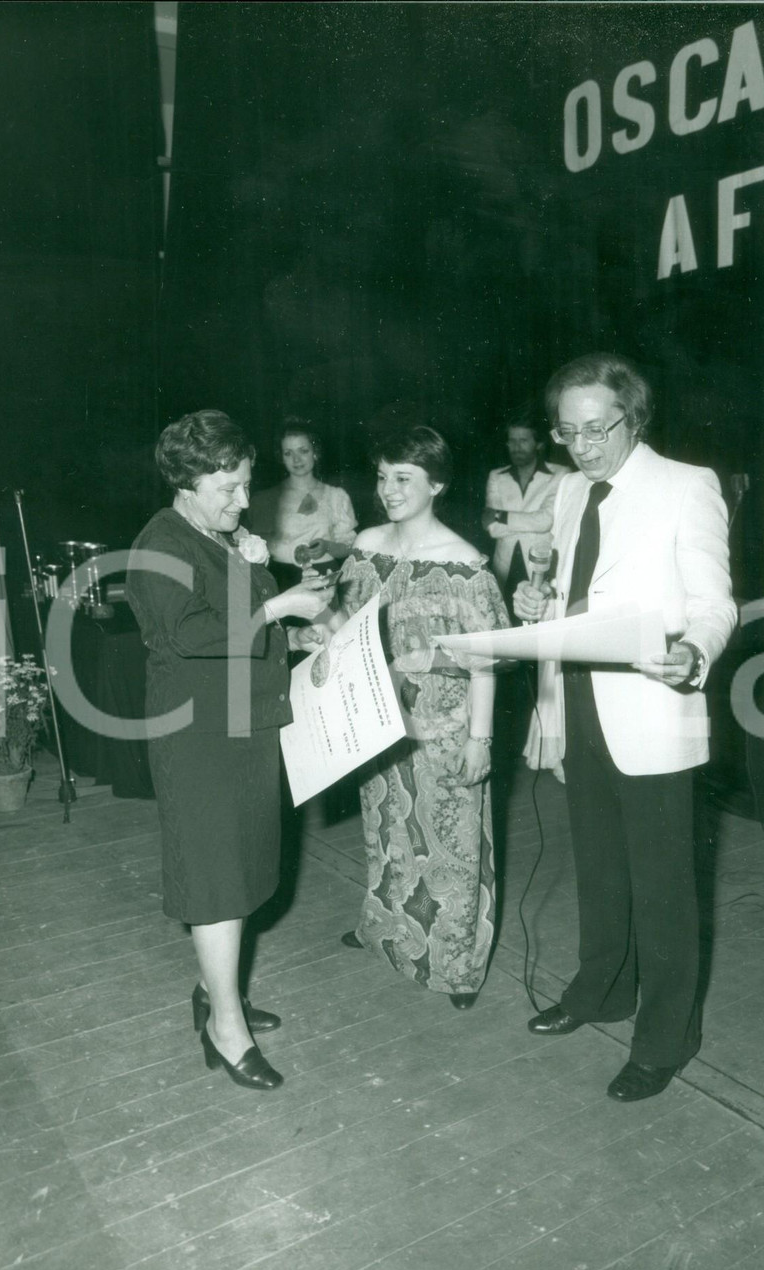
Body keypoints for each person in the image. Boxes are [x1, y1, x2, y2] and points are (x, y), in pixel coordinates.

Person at [516, 354, 737, 1102]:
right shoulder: (573, 491)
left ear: (633, 417)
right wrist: (536, 610)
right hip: (580, 702)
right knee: (600, 868)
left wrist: (693, 652)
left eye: (597, 429)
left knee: (664, 886)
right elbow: (571, 599)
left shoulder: (686, 486)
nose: (582, 446)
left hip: (651, 701)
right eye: (567, 431)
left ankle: (666, 1038)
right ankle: (602, 989)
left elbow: (716, 603)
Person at [126, 410, 333, 1090]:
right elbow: (189, 634)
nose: (244, 502)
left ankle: (214, 991)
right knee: (216, 881)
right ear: (189, 479)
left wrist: (291, 640)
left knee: (239, 868)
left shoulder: (219, 537)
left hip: (242, 728)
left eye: (246, 486)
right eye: (232, 487)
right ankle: (225, 1029)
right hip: (198, 739)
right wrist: (276, 612)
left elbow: (238, 629)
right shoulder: (160, 543)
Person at [330, 425, 509, 1008]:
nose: (387, 489)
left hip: (442, 728)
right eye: (382, 477)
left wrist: (481, 739)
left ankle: (456, 966)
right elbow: (343, 623)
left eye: (402, 478)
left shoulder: (467, 565)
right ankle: (384, 932)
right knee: (386, 835)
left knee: (452, 850)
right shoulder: (367, 543)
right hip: (379, 723)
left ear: (436, 483)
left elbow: (487, 663)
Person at [248, 417, 357, 591]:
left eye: (303, 450)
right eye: (288, 453)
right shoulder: (267, 499)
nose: (296, 459)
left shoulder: (336, 496)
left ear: (315, 452)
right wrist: (291, 552)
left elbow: (349, 547)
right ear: (281, 457)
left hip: (325, 577)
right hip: (283, 579)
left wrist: (327, 546)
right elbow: (257, 547)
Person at [482, 408, 566, 617]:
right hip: (505, 567)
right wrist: (530, 521)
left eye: (523, 441)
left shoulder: (561, 474)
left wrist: (500, 516)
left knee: (540, 624)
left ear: (538, 444)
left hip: (540, 567)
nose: (516, 447)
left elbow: (545, 521)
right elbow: (491, 528)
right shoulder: (496, 476)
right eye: (512, 441)